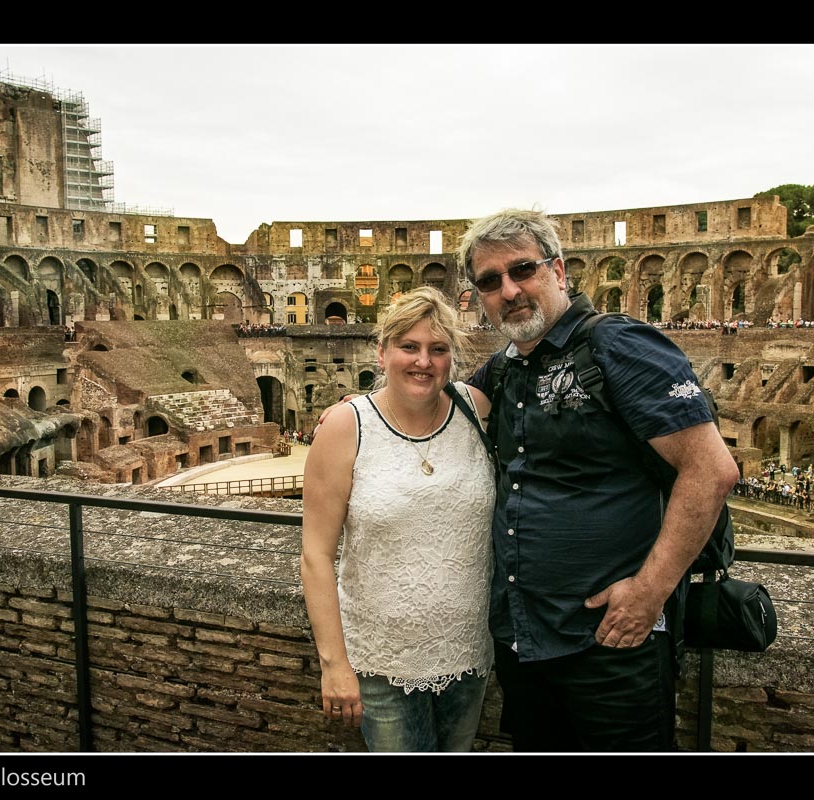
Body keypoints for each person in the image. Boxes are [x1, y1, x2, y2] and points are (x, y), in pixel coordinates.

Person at [458, 208, 740, 751]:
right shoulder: (506, 367)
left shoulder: (618, 345)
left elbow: (711, 470)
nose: (509, 291)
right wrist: (358, 412)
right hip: (525, 640)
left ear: (558, 270)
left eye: (523, 270)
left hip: (611, 642)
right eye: (490, 281)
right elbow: (433, 406)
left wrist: (649, 594)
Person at [300, 286, 496, 752]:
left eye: (438, 349)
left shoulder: (477, 409)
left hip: (468, 652)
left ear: (452, 357)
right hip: (381, 660)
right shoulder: (346, 426)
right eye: (409, 346)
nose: (423, 361)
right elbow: (315, 555)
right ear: (382, 351)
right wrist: (333, 664)